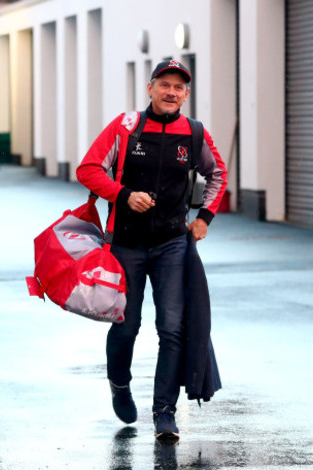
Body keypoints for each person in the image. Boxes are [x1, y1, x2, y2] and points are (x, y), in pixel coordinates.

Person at [76, 60, 227, 440]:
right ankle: (120, 385)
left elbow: (218, 174)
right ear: (150, 88)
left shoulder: (194, 133)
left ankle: (164, 412)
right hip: (126, 243)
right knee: (126, 326)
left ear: (186, 95)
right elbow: (89, 169)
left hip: (173, 244)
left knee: (172, 329)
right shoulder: (126, 127)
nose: (171, 92)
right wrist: (124, 195)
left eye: (179, 87)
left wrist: (205, 217)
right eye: (165, 85)